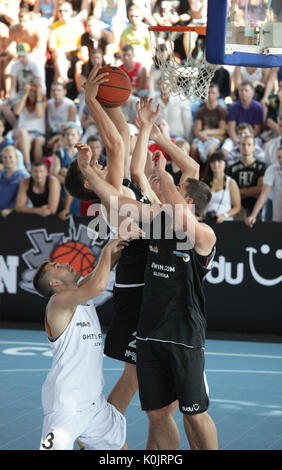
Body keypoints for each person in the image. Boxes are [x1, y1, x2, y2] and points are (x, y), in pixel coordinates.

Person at [75, 84, 218, 450]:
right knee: (145, 396)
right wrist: (94, 102)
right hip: (141, 300)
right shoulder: (121, 200)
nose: (110, 162)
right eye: (102, 165)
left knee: (163, 406)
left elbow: (164, 165)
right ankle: (99, 442)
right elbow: (120, 145)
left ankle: (115, 444)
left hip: (162, 308)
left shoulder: (157, 207)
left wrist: (151, 134)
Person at [33, 237, 128, 450]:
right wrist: (106, 249)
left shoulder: (78, 293)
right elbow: (99, 285)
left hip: (94, 405)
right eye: (57, 267)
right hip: (66, 408)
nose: (64, 263)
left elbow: (101, 271)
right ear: (54, 284)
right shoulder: (58, 302)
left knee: (120, 449)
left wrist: (122, 240)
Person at [226, 135, 266, 220]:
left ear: (254, 147)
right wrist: (251, 191)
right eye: (243, 144)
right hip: (238, 208)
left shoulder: (261, 166)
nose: (246, 147)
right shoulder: (231, 168)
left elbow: (260, 190)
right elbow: (229, 191)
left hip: (256, 208)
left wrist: (238, 192)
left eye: (249, 144)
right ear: (239, 147)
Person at [48, 1, 85, 85]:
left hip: (74, 53)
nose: (62, 13)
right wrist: (62, 52)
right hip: (60, 54)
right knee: (59, 56)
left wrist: (71, 51)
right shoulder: (54, 26)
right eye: (60, 11)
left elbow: (82, 43)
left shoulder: (78, 24)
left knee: (58, 72)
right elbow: (51, 46)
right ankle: (64, 80)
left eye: (65, 11)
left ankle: (62, 82)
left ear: (71, 12)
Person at [222, 80, 264, 155]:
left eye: (246, 90)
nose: (243, 93)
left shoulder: (258, 107)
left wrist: (247, 141)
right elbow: (231, 129)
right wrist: (237, 142)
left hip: (253, 137)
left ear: (252, 92)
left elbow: (257, 130)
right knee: (224, 149)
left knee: (258, 152)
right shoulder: (233, 107)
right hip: (237, 136)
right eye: (241, 90)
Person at [191, 83, 227, 165]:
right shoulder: (201, 111)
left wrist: (206, 132)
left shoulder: (221, 111)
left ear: (218, 94)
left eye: (213, 93)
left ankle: (207, 174)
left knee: (211, 150)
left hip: (216, 137)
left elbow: (222, 131)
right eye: (208, 93)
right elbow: (197, 130)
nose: (210, 95)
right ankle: (196, 171)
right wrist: (201, 135)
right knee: (193, 147)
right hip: (202, 136)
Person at [245, 146, 282, 226]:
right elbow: (264, 194)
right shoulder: (272, 169)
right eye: (279, 157)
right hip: (276, 211)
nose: (281, 160)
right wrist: (253, 216)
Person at [13, 82, 46, 168]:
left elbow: (39, 114)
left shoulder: (43, 101)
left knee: (19, 143)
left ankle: (36, 168)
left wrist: (38, 96)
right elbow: (16, 111)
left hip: (38, 133)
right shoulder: (22, 101)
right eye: (30, 91)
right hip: (23, 132)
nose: (32, 93)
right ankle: (28, 164)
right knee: (22, 132)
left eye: (35, 91)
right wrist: (25, 94)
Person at [203, 151, 241, 224]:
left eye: (219, 161)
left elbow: (237, 207)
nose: (216, 164)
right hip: (207, 222)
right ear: (210, 164)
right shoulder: (204, 182)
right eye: (213, 162)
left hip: (225, 222)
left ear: (225, 164)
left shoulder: (231, 182)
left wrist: (224, 216)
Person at [119, 5, 152, 73]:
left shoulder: (147, 30)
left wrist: (143, 59)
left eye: (136, 16)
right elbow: (122, 48)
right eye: (131, 16)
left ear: (141, 16)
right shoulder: (125, 31)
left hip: (144, 59)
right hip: (128, 58)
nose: (133, 18)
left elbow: (151, 50)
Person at [0, 145, 29, 218]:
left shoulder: (23, 177)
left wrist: (11, 211)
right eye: (5, 157)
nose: (7, 160)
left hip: (16, 215)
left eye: (10, 157)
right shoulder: (1, 175)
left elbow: (25, 201)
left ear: (16, 158)